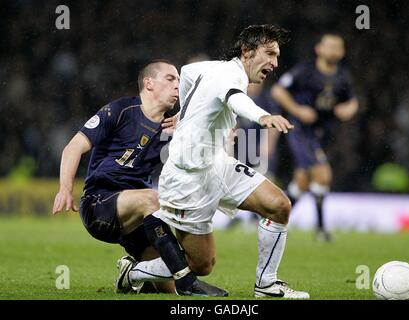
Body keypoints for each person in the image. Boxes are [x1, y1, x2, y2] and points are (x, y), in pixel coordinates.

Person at [120, 25, 310, 299]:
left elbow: (186, 72)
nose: (274, 63)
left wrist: (185, 113)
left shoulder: (211, 68)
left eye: (277, 56)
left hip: (216, 163)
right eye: (269, 54)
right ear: (247, 51)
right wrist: (263, 117)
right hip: (189, 178)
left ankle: (266, 285)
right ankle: (133, 273)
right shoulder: (229, 77)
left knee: (278, 206)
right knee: (202, 265)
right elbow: (236, 99)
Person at [52, 60, 227, 297]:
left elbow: (204, 157)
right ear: (149, 83)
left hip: (141, 218)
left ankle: (132, 274)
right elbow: (73, 148)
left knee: (170, 285)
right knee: (153, 199)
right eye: (170, 79)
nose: (178, 85)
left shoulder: (174, 127)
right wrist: (65, 188)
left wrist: (207, 134)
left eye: (178, 80)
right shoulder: (121, 110)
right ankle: (187, 282)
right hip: (100, 203)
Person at [271, 33, 359, 241]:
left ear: (342, 52)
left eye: (337, 47)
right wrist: (298, 110)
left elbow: (352, 100)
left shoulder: (342, 77)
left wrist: (349, 109)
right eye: (329, 46)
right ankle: (320, 229)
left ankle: (270, 218)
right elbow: (278, 91)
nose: (333, 51)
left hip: (322, 134)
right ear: (319, 49)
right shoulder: (305, 71)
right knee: (322, 174)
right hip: (300, 131)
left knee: (301, 182)